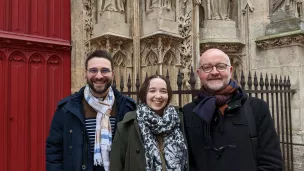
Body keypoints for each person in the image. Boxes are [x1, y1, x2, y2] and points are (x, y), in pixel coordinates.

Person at [183, 48, 283, 171]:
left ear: (230, 70)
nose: (214, 72)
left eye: (221, 66)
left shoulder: (256, 108)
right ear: (199, 73)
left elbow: (271, 163)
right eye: (207, 67)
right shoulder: (188, 112)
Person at [46, 50, 136, 171]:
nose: (99, 76)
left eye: (105, 70)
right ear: (85, 73)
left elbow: (136, 150)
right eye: (93, 70)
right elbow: (54, 150)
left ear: (113, 74)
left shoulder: (127, 107)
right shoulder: (67, 108)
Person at [110, 75, 188, 171]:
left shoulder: (180, 121)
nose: (158, 96)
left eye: (163, 91)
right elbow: (116, 165)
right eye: (152, 91)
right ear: (145, 94)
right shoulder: (128, 125)